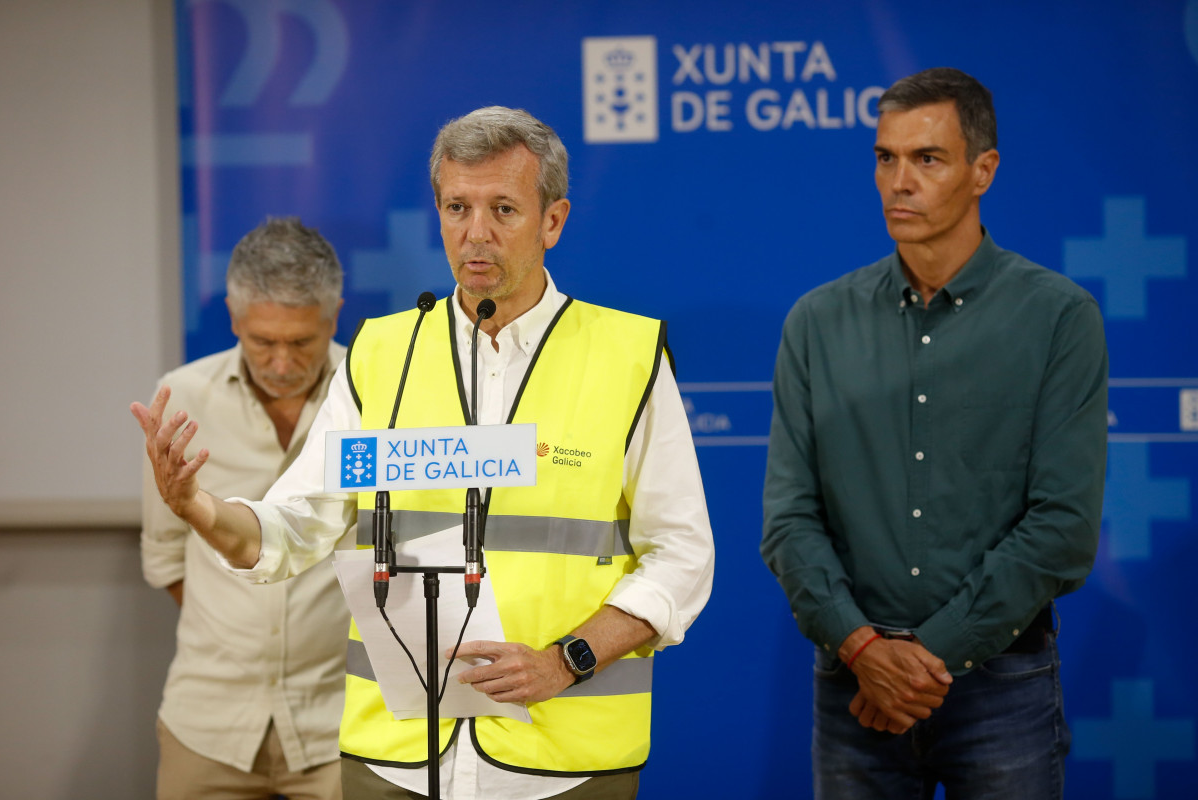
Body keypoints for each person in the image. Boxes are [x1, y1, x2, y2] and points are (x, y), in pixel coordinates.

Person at [133, 106, 715, 800]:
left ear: (552, 221)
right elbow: (295, 524)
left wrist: (570, 659)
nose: (476, 233)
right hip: (397, 758)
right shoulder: (381, 355)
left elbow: (682, 553)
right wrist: (199, 508)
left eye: (503, 208)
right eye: (456, 207)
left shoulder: (627, 356)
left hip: (562, 760)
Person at [761, 67, 1107, 799]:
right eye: (886, 158)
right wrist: (863, 648)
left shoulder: (1057, 318)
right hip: (853, 682)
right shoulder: (816, 323)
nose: (899, 182)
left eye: (927, 159)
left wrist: (922, 657)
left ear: (984, 171)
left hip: (1002, 685)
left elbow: (1063, 528)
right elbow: (789, 520)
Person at [140, 217, 350, 800]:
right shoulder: (181, 397)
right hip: (208, 723)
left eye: (302, 341)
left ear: (333, 317)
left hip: (341, 722)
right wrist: (243, 620)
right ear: (234, 316)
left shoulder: (377, 394)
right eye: (263, 341)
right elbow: (167, 559)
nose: (282, 362)